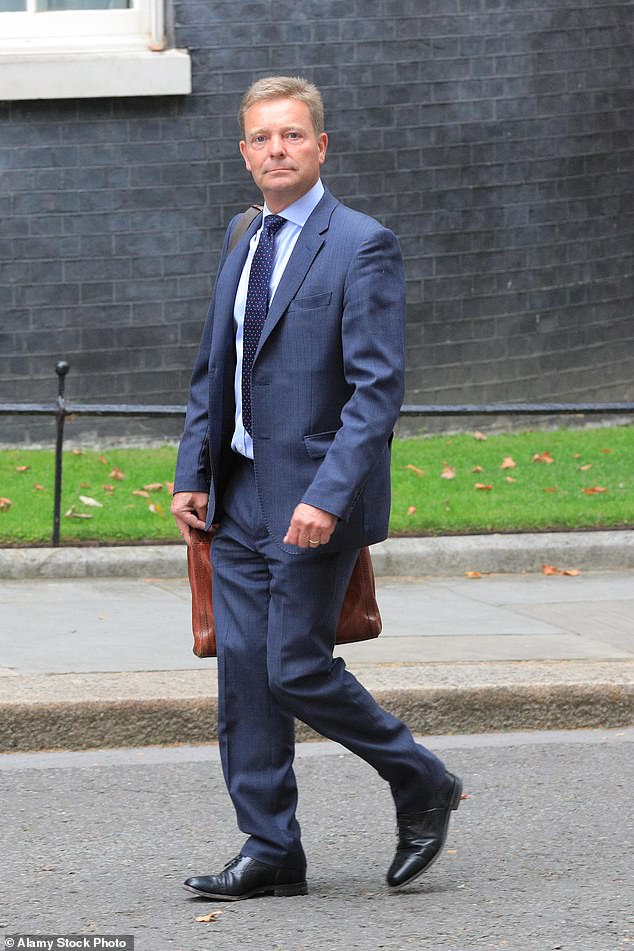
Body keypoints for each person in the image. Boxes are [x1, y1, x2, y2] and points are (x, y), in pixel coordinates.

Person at [171, 75, 462, 901]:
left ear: (321, 145)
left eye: (292, 136)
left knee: (294, 667)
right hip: (238, 492)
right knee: (243, 674)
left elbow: (377, 392)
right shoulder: (241, 234)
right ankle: (270, 847)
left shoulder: (362, 243)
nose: (277, 151)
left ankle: (421, 777)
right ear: (244, 152)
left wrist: (328, 495)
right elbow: (214, 371)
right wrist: (194, 470)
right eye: (262, 139)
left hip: (313, 496)